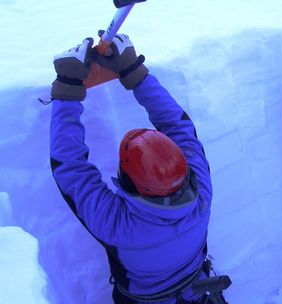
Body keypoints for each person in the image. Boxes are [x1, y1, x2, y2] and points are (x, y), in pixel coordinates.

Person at [49, 34, 225, 303]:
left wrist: (69, 85)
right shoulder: (201, 188)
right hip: (198, 289)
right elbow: (179, 125)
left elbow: (70, 167)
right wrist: (133, 71)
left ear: (129, 182)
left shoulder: (117, 223)